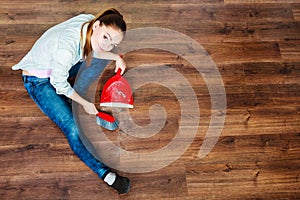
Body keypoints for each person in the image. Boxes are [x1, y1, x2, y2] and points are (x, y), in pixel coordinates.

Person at [12, 8, 130, 194]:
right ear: (97, 25)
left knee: (98, 59)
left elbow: (98, 50)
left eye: (113, 44)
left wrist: (115, 57)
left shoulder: (91, 23)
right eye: (106, 38)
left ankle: (76, 104)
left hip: (59, 67)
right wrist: (84, 103)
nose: (107, 46)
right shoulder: (66, 49)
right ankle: (105, 174)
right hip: (39, 81)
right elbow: (58, 84)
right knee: (73, 128)